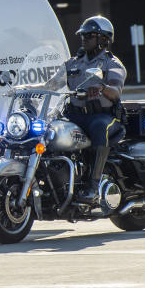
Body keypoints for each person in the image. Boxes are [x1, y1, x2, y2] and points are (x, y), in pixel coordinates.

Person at [46, 15, 127, 204]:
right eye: (83, 35)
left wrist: (102, 88)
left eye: (89, 35)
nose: (84, 39)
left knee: (100, 126)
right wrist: (28, 90)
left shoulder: (112, 64)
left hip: (102, 116)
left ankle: (93, 186)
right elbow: (51, 85)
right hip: (74, 115)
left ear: (104, 39)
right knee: (49, 130)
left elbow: (115, 92)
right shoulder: (73, 64)